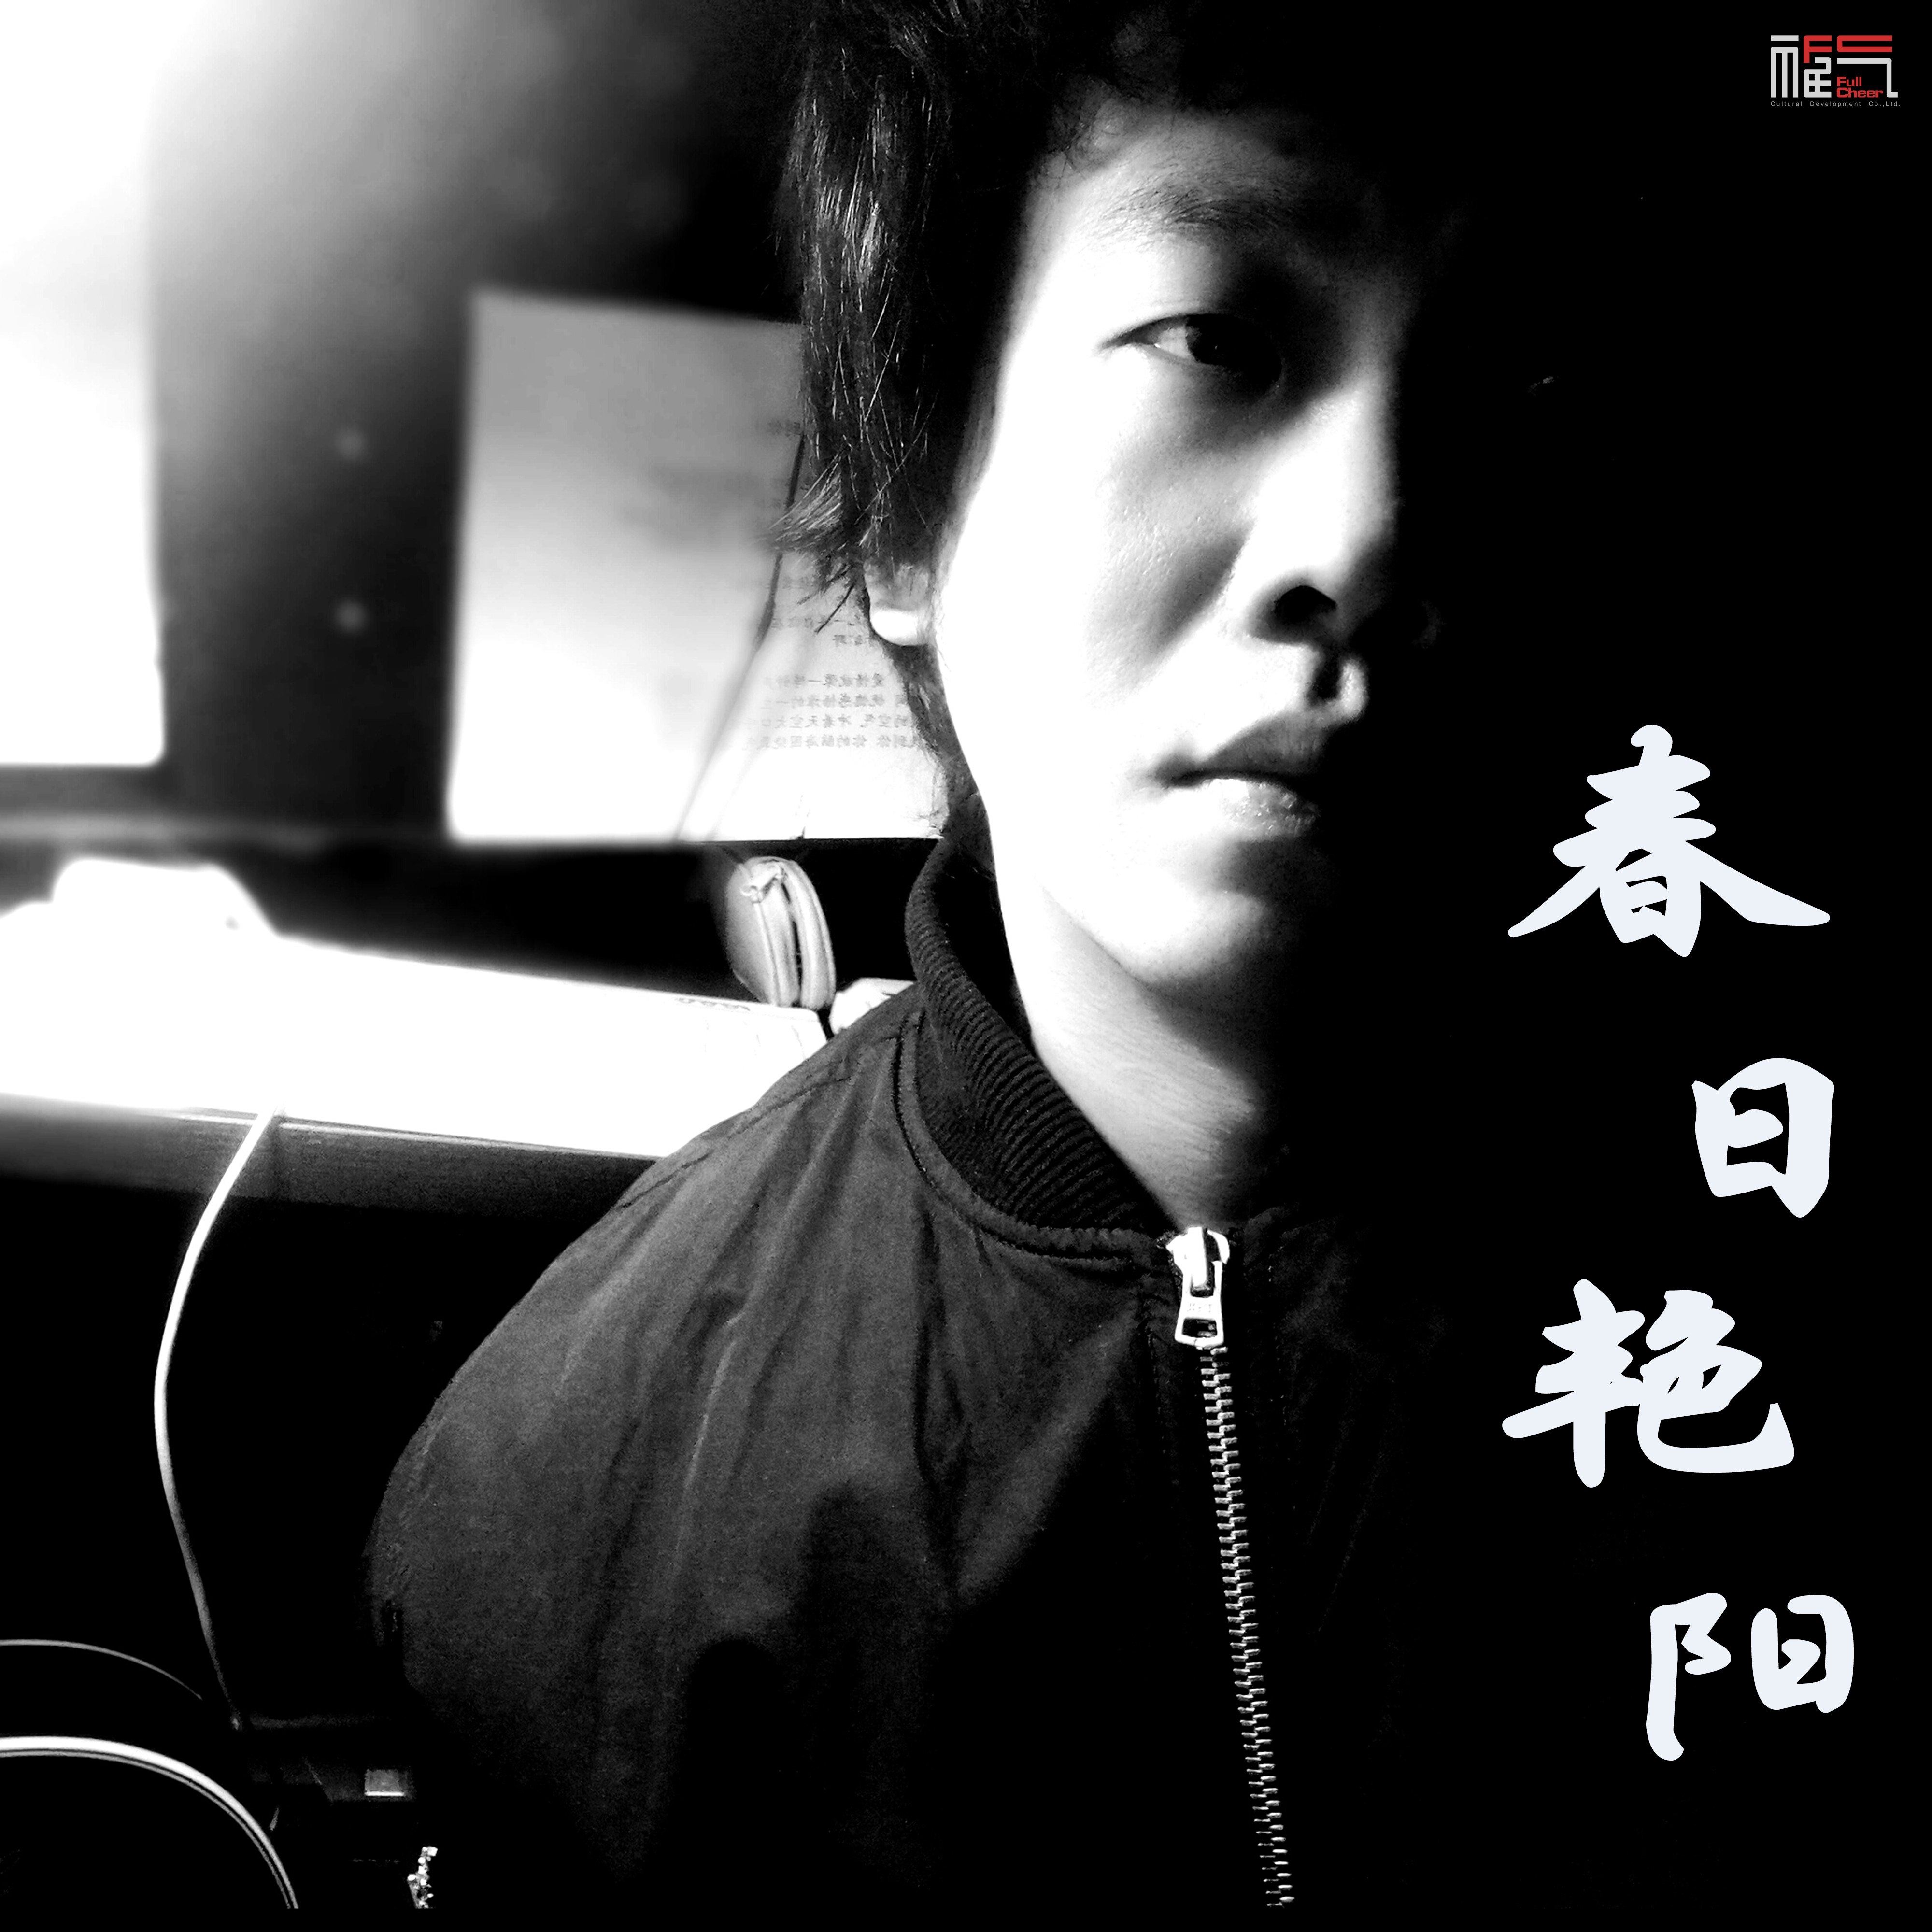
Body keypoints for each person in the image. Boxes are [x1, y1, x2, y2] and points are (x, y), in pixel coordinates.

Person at [368, 2, 1552, 1912]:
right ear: (912, 511)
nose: (1371, 540)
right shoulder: (553, 1499)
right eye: (1218, 341)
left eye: (1505, 386)